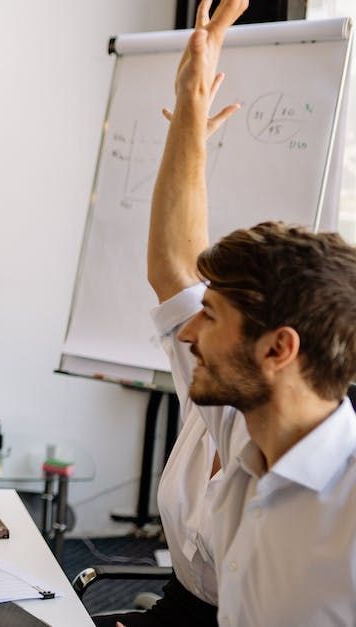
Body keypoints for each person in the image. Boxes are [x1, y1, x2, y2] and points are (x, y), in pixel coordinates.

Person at [146, 0, 356, 624]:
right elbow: (173, 266)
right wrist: (188, 106)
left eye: (211, 316)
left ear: (277, 349)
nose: (187, 330)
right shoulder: (240, 419)